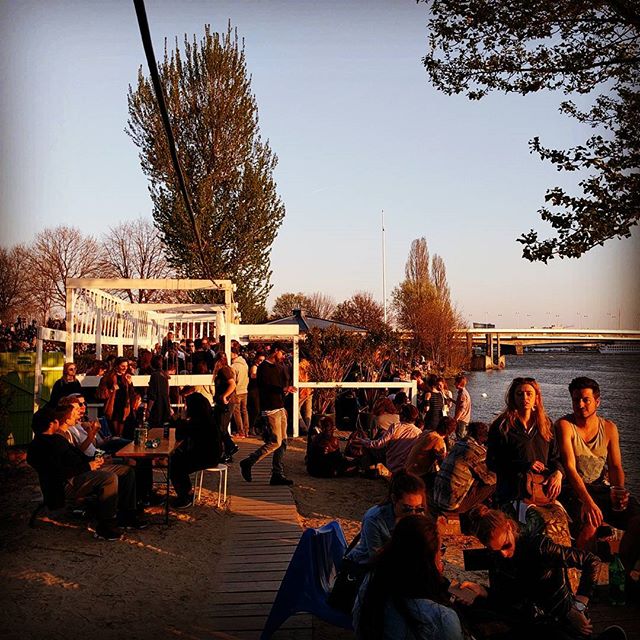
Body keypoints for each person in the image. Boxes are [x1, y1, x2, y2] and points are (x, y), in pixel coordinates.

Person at [468, 505, 607, 640]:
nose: (504, 554)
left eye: (506, 545)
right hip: (530, 622)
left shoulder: (539, 547)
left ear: (509, 526)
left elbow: (592, 561)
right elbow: (507, 598)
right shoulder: (497, 558)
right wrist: (482, 591)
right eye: (496, 550)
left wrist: (579, 606)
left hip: (563, 620)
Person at [555, 377, 640, 566]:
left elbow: (615, 466)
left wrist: (619, 492)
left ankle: (623, 570)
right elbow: (570, 468)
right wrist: (588, 502)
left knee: (637, 519)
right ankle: (587, 576)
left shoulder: (609, 428)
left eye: (586, 400)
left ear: (597, 402)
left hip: (601, 489)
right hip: (574, 491)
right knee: (590, 524)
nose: (580, 405)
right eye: (576, 400)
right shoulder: (565, 426)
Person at [27, 407, 145, 541]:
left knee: (125, 471)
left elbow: (77, 458)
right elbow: (57, 473)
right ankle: (105, 527)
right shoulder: (43, 445)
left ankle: (127, 515)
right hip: (66, 484)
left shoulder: (56, 439)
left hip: (81, 473)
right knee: (108, 478)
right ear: (52, 423)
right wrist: (88, 466)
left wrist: (94, 461)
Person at [354, 514, 464, 640]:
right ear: (429, 561)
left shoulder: (371, 583)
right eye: (440, 550)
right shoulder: (441, 618)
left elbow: (358, 626)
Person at [487, 377, 563, 509]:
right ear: (513, 397)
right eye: (519, 394)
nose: (525, 398)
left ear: (536, 397)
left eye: (529, 394)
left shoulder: (546, 425)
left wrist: (558, 473)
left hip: (541, 493)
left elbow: (555, 456)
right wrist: (524, 465)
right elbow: (492, 462)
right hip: (511, 495)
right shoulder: (502, 426)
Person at [240, 342, 296, 486]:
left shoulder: (278, 367)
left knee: (283, 442)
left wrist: (285, 390)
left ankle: (277, 473)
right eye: (282, 353)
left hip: (280, 407)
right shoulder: (263, 368)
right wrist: (284, 389)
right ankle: (249, 461)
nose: (283, 356)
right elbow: (266, 388)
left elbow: (278, 386)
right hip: (270, 409)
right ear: (276, 351)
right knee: (275, 442)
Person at [346, 470, 428, 565]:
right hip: (367, 564)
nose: (413, 514)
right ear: (394, 499)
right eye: (407, 508)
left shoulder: (418, 514)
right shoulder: (374, 519)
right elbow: (377, 558)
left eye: (418, 508)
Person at [169, 392, 222, 508]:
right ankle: (186, 492)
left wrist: (182, 418)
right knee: (177, 460)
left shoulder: (197, 422)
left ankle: (184, 496)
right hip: (211, 455)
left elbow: (179, 435)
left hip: (206, 457)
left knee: (175, 465)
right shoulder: (207, 418)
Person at [432, 421, 496, 516]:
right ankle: (484, 513)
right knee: (493, 483)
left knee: (476, 475)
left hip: (437, 497)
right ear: (484, 437)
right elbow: (490, 479)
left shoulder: (457, 445)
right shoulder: (477, 451)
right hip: (452, 504)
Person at [357, 403, 422, 475]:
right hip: (406, 466)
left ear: (403, 416)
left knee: (368, 447)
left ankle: (367, 471)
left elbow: (379, 444)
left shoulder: (395, 426)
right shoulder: (418, 432)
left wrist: (363, 441)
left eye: (400, 413)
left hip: (391, 464)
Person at [405, 416, 456, 487]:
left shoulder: (427, 432)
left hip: (408, 468)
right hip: (417, 474)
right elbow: (442, 464)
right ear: (450, 432)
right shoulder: (438, 440)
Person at [212, 352, 239, 463]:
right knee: (220, 426)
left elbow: (232, 384)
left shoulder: (224, 370)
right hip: (224, 401)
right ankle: (227, 451)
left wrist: (224, 396)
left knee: (221, 427)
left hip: (227, 402)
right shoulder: (225, 370)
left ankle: (231, 447)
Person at [145, 354, 173, 428]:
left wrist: (148, 409)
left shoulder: (154, 375)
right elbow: (167, 392)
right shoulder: (164, 375)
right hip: (165, 405)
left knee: (155, 429)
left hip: (157, 407)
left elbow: (152, 394)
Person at [230, 346, 250, 438]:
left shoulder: (233, 366)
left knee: (237, 412)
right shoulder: (245, 364)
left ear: (234, 354)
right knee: (244, 410)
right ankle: (246, 430)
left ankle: (240, 431)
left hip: (237, 391)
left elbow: (233, 381)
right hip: (245, 389)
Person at [453, 373, 471, 440]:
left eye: (455, 382)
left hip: (462, 420)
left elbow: (462, 409)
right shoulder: (464, 392)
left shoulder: (462, 394)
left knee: (460, 438)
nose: (454, 384)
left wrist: (455, 419)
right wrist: (450, 399)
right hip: (464, 420)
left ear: (459, 384)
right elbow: (460, 404)